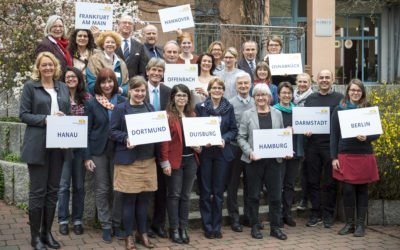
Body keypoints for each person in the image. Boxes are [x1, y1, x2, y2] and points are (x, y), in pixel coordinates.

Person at [20, 51, 70, 250]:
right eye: (44, 65)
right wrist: (47, 119)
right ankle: (35, 237)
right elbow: (24, 115)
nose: (48, 68)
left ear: (55, 66)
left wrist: (63, 118)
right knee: (38, 192)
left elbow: (67, 113)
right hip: (38, 145)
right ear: (38, 68)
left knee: (53, 191)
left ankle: (46, 232)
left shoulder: (63, 87)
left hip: (59, 145)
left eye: (51, 65)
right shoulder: (30, 87)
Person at [109, 76, 158, 249]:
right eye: (136, 90)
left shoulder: (150, 108)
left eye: (142, 90)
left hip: (148, 159)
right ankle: (128, 235)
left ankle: (142, 233)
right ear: (130, 90)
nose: (139, 93)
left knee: (144, 200)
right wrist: (126, 138)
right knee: (129, 200)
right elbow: (112, 131)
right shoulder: (120, 109)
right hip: (129, 162)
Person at [237, 84, 287, 240]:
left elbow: (282, 135)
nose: (260, 98)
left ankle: (275, 227)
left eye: (263, 95)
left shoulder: (277, 113)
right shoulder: (247, 115)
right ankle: (254, 226)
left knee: (276, 196)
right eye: (257, 95)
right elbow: (240, 137)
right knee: (253, 196)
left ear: (269, 97)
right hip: (254, 162)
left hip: (274, 161)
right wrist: (249, 152)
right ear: (254, 97)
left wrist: (285, 149)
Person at [330, 79, 380, 237]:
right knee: (348, 190)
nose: (355, 93)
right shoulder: (339, 109)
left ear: (362, 92)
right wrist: (333, 158)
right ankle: (349, 224)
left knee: (362, 190)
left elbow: (376, 133)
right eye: (353, 90)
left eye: (358, 90)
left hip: (364, 153)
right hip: (345, 154)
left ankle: (360, 225)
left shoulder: (368, 109)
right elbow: (334, 135)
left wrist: (367, 137)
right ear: (348, 91)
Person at [83, 68, 126, 243]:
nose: (107, 85)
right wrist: (87, 157)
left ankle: (116, 223)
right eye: (103, 82)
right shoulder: (92, 103)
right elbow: (85, 131)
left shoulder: (122, 101)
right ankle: (106, 225)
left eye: (110, 81)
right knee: (102, 189)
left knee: (118, 189)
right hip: (98, 151)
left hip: (119, 150)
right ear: (98, 84)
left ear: (114, 83)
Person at [195, 78, 238, 239]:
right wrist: (200, 140)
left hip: (221, 153)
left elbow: (233, 129)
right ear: (209, 90)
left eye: (220, 88)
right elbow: (196, 129)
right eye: (214, 88)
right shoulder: (200, 107)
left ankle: (216, 226)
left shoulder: (229, 108)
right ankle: (207, 226)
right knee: (205, 191)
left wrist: (224, 139)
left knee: (218, 192)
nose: (217, 90)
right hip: (205, 153)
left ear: (223, 90)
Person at [160, 84, 200, 244]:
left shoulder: (192, 115)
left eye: (184, 95)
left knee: (185, 196)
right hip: (175, 161)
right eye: (178, 95)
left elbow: (198, 138)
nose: (182, 98)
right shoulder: (168, 116)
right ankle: (174, 229)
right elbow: (164, 142)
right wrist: (165, 162)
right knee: (174, 195)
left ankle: (183, 228)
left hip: (191, 160)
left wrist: (199, 146)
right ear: (173, 98)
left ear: (188, 98)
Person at [304, 69, 344, 228]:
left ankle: (328, 214)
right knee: (312, 180)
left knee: (330, 181)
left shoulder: (340, 99)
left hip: (331, 145)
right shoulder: (310, 99)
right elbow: (305, 120)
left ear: (332, 79)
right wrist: (305, 129)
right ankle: (315, 213)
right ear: (316, 80)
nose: (324, 80)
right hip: (312, 145)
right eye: (321, 77)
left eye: (327, 77)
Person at [58, 66, 91, 236]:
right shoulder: (58, 96)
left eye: (74, 77)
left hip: (80, 149)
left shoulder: (86, 98)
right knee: (63, 186)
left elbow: (90, 125)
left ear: (79, 79)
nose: (70, 79)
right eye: (68, 77)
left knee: (79, 186)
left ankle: (77, 220)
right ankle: (63, 219)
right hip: (63, 148)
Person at [145, 58, 172, 239]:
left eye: (159, 71)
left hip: (163, 145)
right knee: (146, 188)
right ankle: (144, 225)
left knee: (162, 188)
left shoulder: (168, 91)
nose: (156, 73)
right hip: (144, 145)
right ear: (147, 71)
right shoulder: (139, 88)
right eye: (153, 70)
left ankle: (158, 224)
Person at [227, 72, 255, 232]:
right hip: (235, 150)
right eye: (240, 84)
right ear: (236, 86)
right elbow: (231, 127)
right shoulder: (230, 104)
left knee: (250, 185)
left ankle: (249, 216)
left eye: (246, 83)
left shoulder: (255, 102)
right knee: (233, 185)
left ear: (250, 84)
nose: (243, 86)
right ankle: (234, 218)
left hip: (251, 151)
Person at [273, 82, 303, 227]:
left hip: (295, 153)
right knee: (278, 185)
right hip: (279, 152)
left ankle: (287, 213)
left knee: (290, 185)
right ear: (278, 95)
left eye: (289, 93)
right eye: (283, 93)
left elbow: (303, 129)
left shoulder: (298, 111)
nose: (286, 95)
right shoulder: (273, 111)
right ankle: (277, 215)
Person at [293, 73, 313, 211]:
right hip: (293, 136)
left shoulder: (314, 98)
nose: (302, 84)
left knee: (305, 169)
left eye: (305, 82)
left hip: (307, 138)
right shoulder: (291, 97)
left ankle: (304, 198)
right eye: (300, 81)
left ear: (310, 83)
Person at [86, 31, 129, 96]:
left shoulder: (121, 62)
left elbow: (126, 84)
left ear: (116, 45)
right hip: (99, 98)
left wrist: (120, 90)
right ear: (102, 45)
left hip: (118, 99)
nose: (110, 44)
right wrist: (107, 91)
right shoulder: (94, 59)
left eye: (113, 42)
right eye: (107, 42)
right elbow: (91, 82)